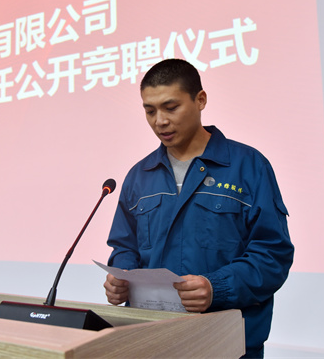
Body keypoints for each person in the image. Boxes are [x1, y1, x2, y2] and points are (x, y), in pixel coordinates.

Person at [104, 58, 294, 358]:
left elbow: (272, 255)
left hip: (225, 343)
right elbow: (125, 247)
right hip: (152, 340)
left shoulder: (248, 166)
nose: (160, 121)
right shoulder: (139, 176)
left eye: (171, 107)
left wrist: (216, 288)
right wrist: (121, 278)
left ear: (200, 100)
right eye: (150, 111)